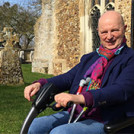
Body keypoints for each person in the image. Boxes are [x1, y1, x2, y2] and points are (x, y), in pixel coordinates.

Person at [24, 11, 134, 134]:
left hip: (107, 118)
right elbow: (68, 78)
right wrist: (40, 84)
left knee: (61, 133)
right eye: (104, 32)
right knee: (33, 126)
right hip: (77, 112)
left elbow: (121, 90)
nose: (109, 36)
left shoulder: (130, 58)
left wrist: (80, 98)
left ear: (124, 29)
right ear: (98, 31)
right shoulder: (90, 58)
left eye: (114, 30)